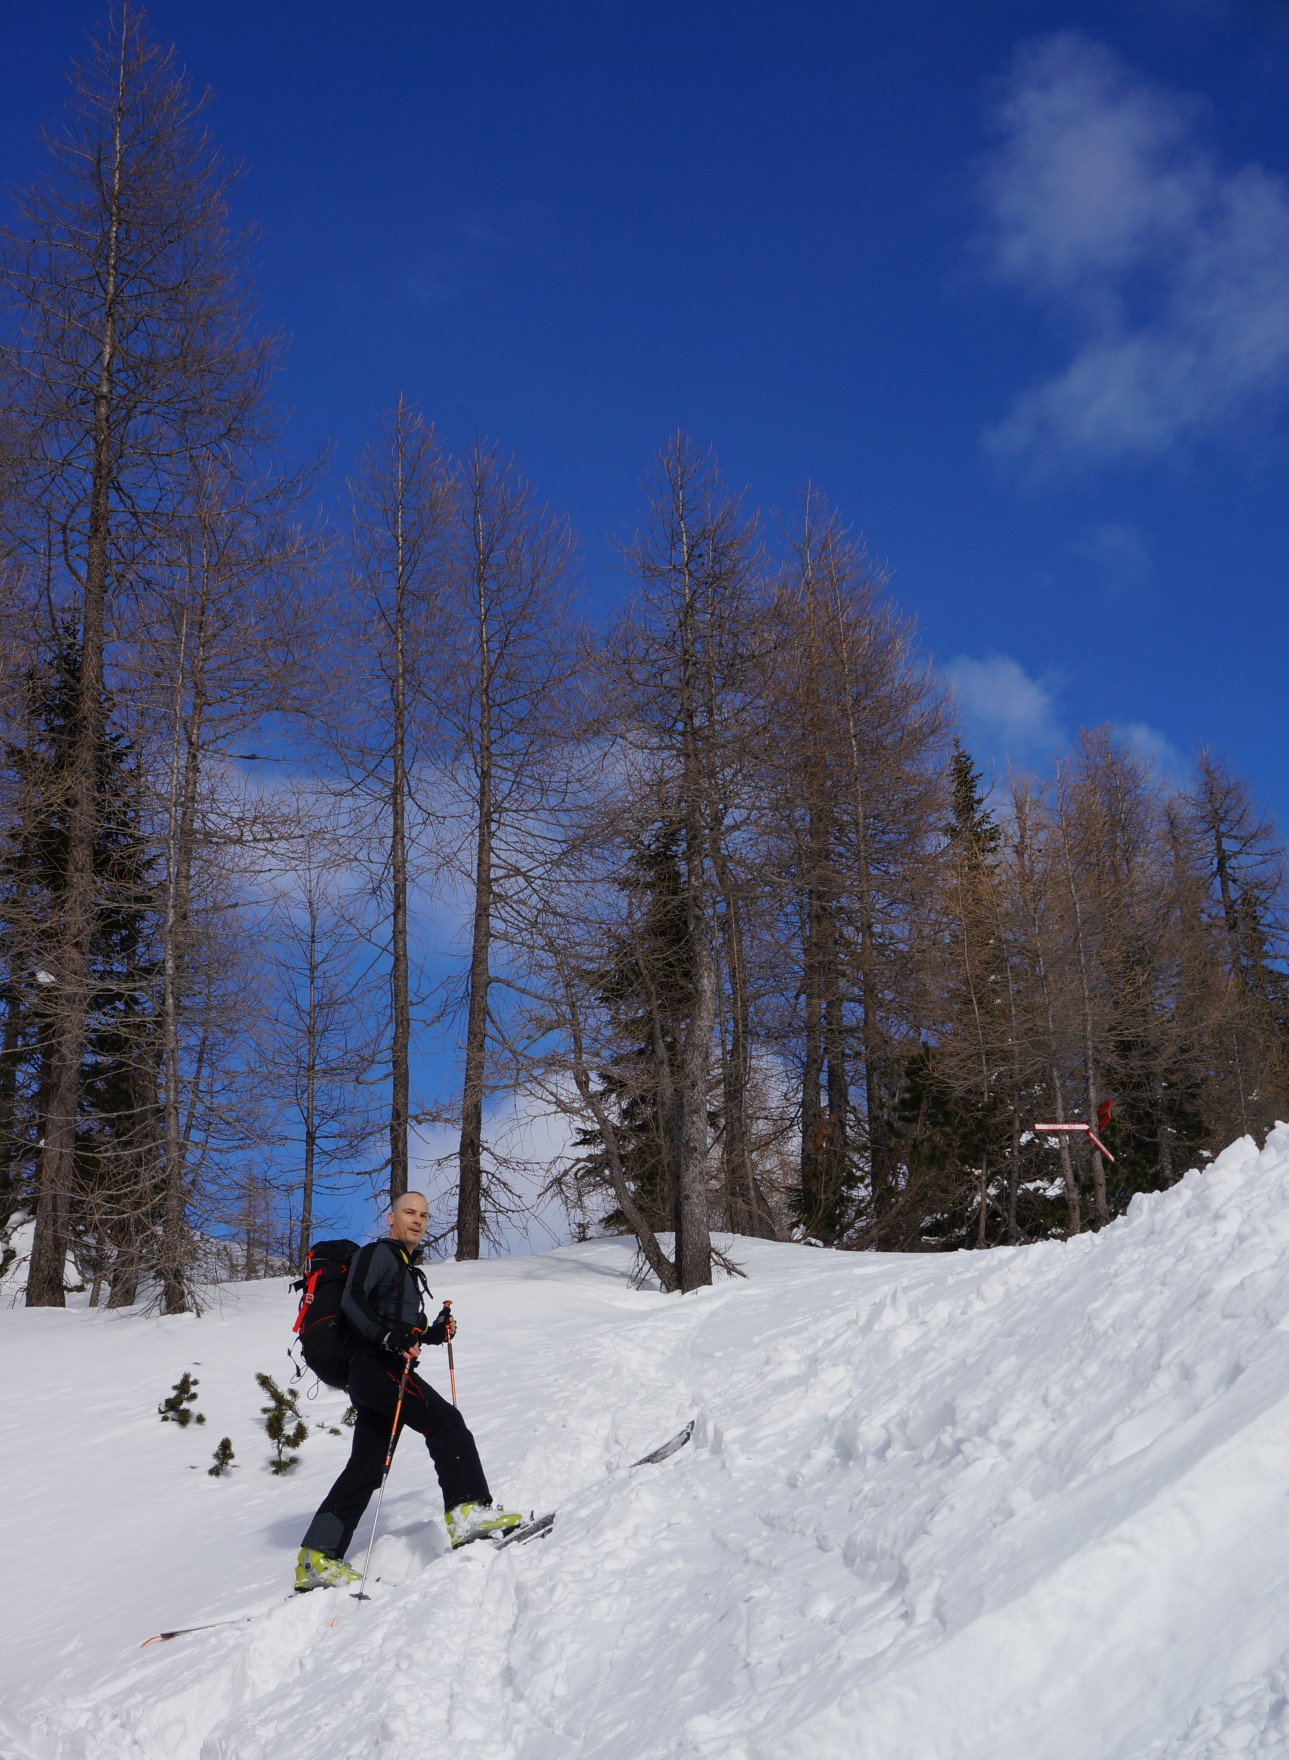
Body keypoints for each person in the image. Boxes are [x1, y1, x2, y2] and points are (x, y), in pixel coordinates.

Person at [295, 1190, 523, 1591]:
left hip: (377, 1372)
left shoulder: (405, 1269)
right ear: (391, 1218)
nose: (417, 1220)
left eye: (423, 1215)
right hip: (376, 1367)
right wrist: (387, 1337)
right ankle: (468, 1514)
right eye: (409, 1212)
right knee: (445, 1422)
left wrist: (434, 1332)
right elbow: (352, 1300)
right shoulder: (379, 1253)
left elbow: (403, 1330)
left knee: (367, 1468)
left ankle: (317, 1558)